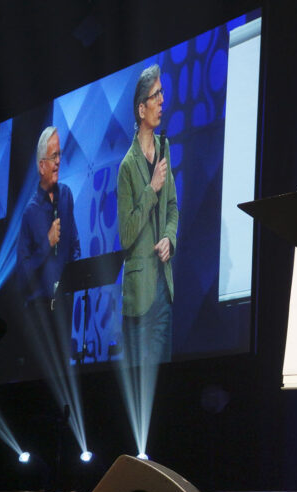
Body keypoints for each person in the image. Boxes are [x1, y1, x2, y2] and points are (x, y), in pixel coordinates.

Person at [117, 64, 178, 367]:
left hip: (163, 293)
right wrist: (151, 188)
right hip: (138, 300)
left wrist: (169, 237)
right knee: (141, 384)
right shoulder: (127, 166)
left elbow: (173, 208)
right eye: (156, 95)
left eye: (162, 93)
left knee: (163, 382)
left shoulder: (164, 146)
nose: (162, 101)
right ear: (141, 109)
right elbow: (126, 234)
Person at [17, 126, 80, 363]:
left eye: (59, 155)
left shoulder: (66, 196)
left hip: (63, 307)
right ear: (41, 165)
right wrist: (47, 243)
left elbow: (74, 244)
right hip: (39, 314)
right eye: (53, 157)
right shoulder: (30, 213)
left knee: (64, 372)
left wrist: (70, 285)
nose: (58, 162)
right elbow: (22, 276)